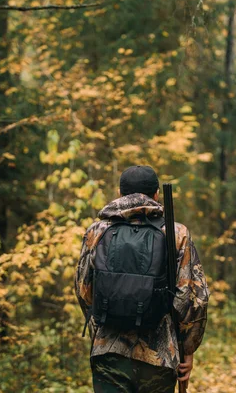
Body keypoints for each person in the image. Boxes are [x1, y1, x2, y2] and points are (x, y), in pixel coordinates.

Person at [74, 165, 209, 393]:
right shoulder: (176, 233)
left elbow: (83, 289)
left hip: (108, 353)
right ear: (156, 194)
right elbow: (194, 298)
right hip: (160, 357)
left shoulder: (96, 231)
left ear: (120, 194)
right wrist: (188, 349)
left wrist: (103, 324)